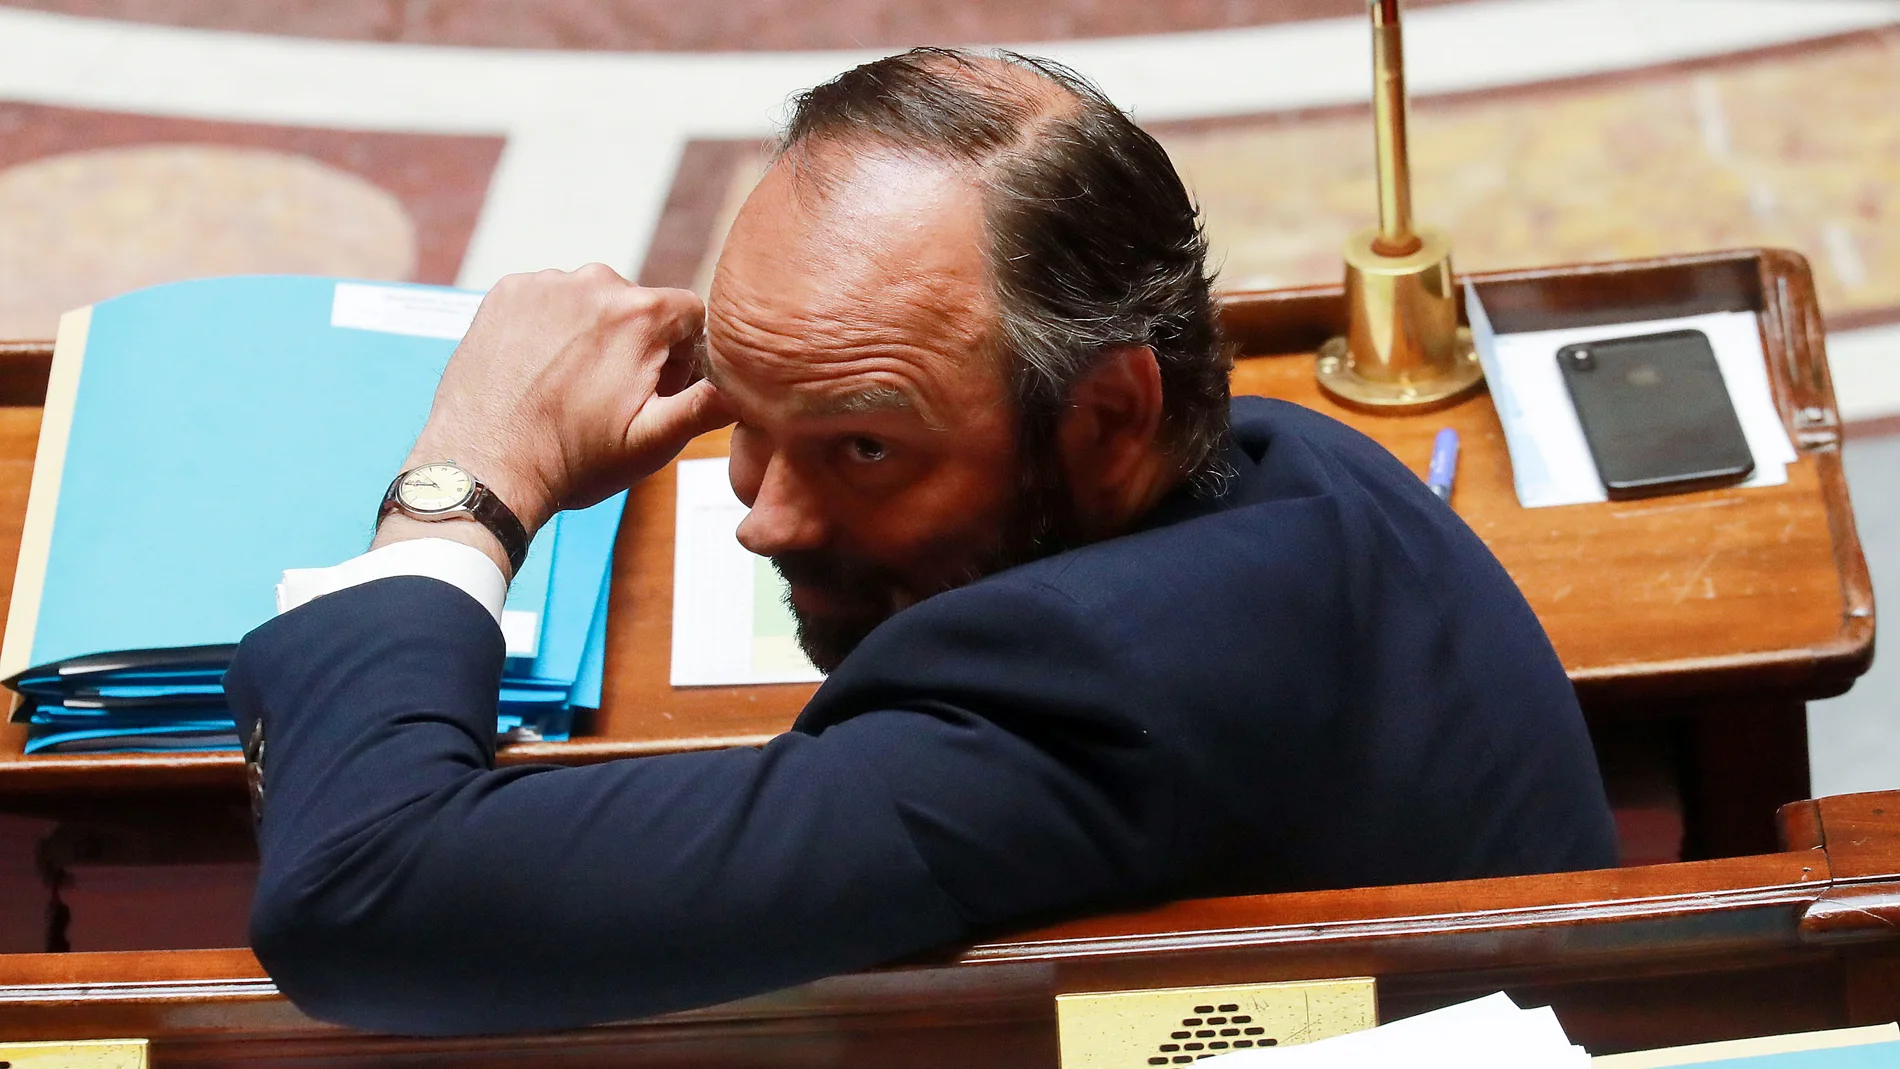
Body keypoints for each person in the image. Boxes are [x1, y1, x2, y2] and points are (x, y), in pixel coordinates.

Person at [227, 48, 1617, 1037]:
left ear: (1110, 413)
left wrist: (464, 484)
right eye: (746, 418)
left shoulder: (1074, 699)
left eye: (864, 447)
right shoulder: (1293, 459)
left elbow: (364, 901)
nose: (762, 509)